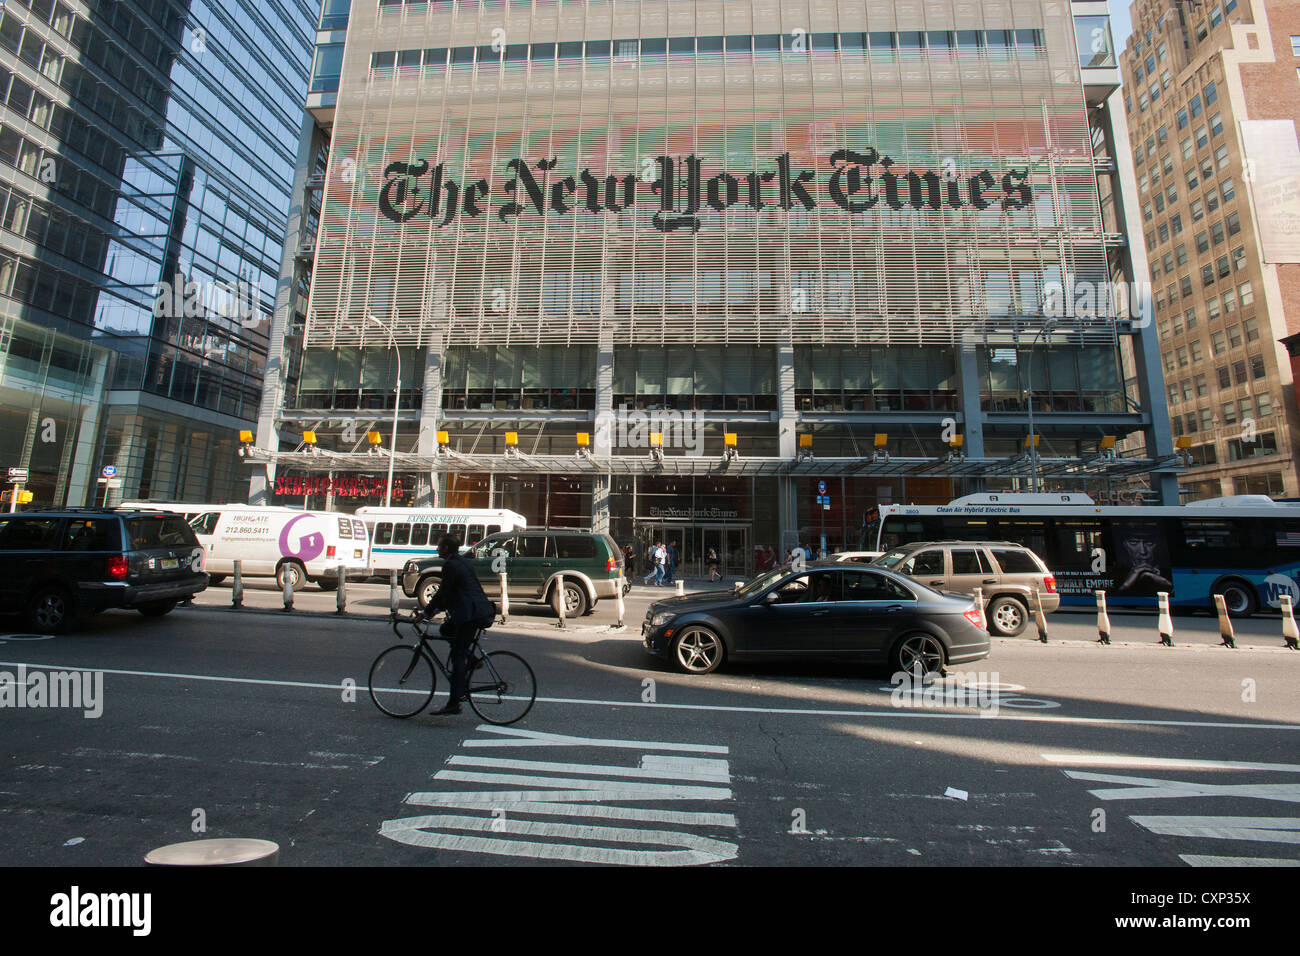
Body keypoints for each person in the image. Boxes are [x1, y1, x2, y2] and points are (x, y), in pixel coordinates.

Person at [420, 534, 496, 716]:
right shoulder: (464, 562)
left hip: (469, 615)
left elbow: (443, 592)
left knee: (457, 656)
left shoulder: (450, 565)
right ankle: (473, 660)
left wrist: (426, 612)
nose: (437, 548)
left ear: (445, 548)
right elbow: (455, 592)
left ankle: (454, 703)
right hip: (476, 610)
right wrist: (437, 609)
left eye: (439, 545)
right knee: (446, 629)